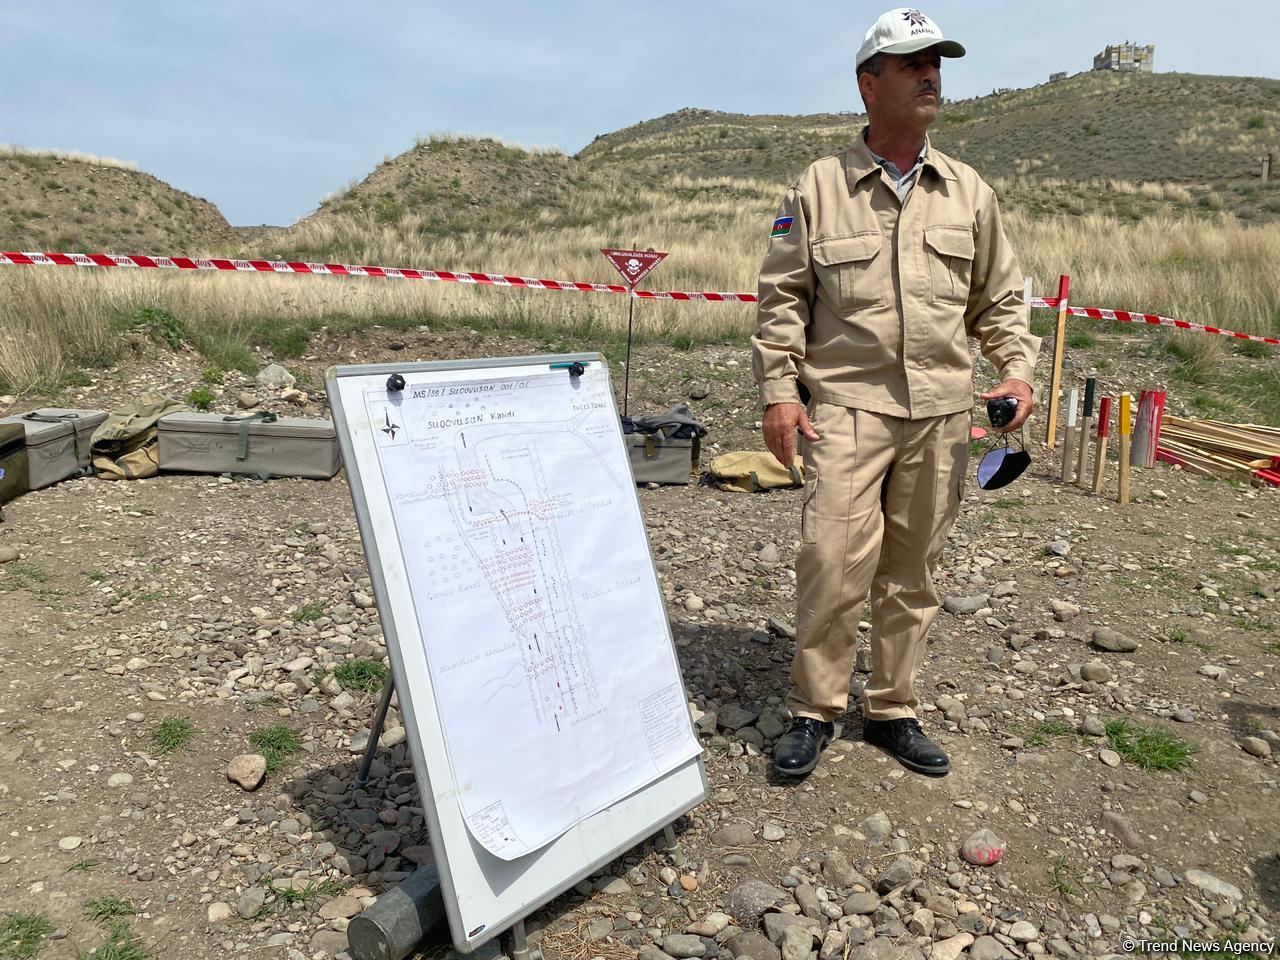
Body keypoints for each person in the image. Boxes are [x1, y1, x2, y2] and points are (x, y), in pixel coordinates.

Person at [752, 7, 1041, 778]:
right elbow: (783, 298)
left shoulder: (969, 193)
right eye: (911, 62)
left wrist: (1015, 370)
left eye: (936, 60)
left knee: (914, 573)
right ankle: (815, 708)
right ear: (867, 83)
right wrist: (781, 392)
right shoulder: (817, 186)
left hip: (942, 412)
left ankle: (892, 708)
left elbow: (1000, 301)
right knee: (832, 561)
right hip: (846, 405)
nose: (930, 74)